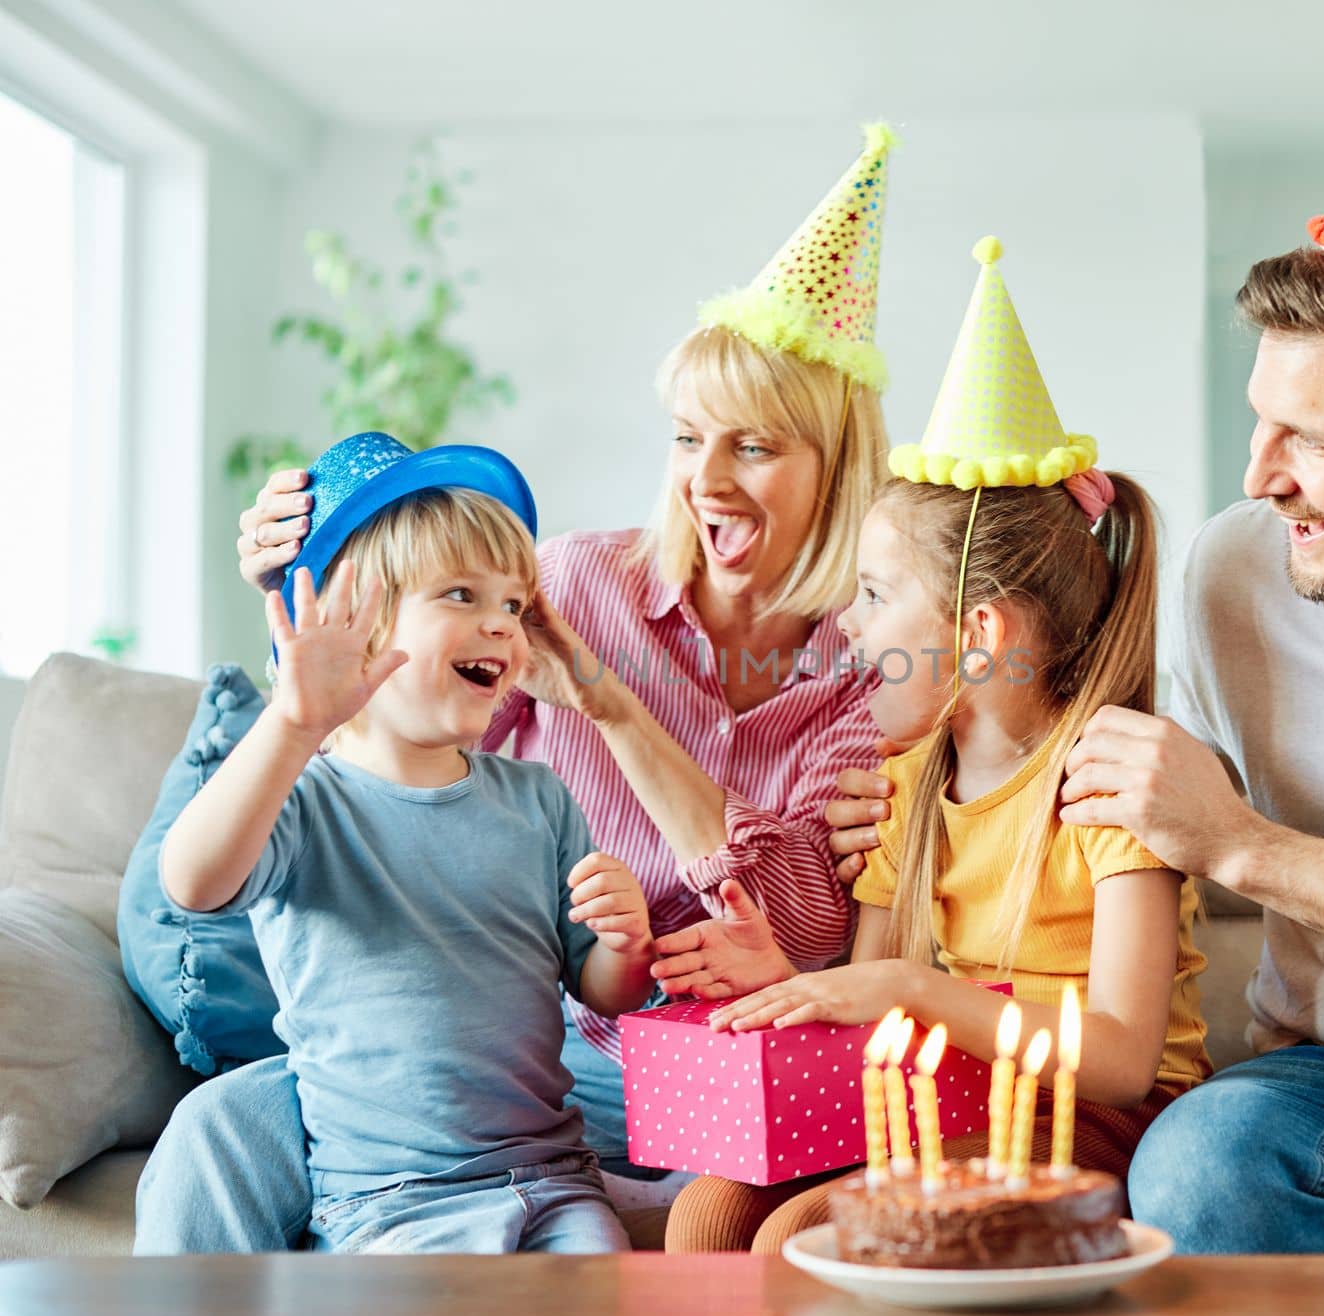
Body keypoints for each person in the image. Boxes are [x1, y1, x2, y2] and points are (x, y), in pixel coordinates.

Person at [838, 23, 1324, 1254]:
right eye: (1259, 423)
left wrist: (1242, 844)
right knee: (1194, 1168)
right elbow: (1075, 784)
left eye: (1307, 440)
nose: (1258, 477)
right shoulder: (1238, 568)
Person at [124, 126, 898, 1251]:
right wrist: (298, 584)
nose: (706, 478)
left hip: (717, 1070)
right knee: (223, 1123)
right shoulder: (574, 580)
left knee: (735, 1192)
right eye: (688, 437)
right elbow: (404, 694)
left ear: (834, 467)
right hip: (538, 1049)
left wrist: (610, 704)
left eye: (757, 447)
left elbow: (789, 922)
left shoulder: (864, 675)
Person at [660, 239, 1210, 1253]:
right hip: (934, 1107)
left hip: (1085, 1124)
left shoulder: (1110, 785)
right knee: (706, 1211)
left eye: (874, 597)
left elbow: (1128, 1061)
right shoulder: (905, 786)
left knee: (800, 1231)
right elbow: (875, 1004)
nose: (851, 628)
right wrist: (780, 971)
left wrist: (915, 988)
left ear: (980, 632)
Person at [157, 447, 655, 1253]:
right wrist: (292, 721)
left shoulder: (539, 799)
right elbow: (192, 882)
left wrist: (628, 946)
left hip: (556, 1183)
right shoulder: (307, 799)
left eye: (514, 603)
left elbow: (602, 990)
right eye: (461, 595)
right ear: (358, 625)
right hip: (392, 1200)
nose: (500, 622)